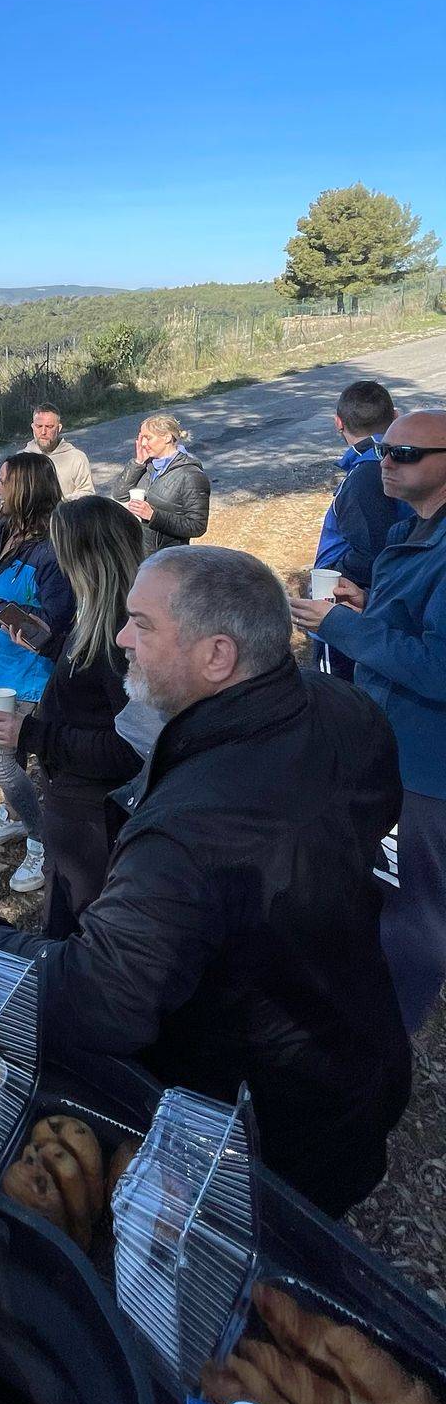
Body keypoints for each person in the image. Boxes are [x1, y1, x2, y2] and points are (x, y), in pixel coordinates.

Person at [0, 546, 409, 1216]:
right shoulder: (346, 709)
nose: (120, 639)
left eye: (142, 624)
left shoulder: (188, 832)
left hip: (266, 1131)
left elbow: (103, 999)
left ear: (217, 656)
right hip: (357, 1049)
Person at [290, 410, 446, 1033]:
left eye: (406, 452)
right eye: (385, 447)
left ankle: (388, 1033)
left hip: (424, 767)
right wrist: (367, 604)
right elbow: (414, 626)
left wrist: (344, 627)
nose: (387, 459)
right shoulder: (419, 529)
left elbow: (439, 666)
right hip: (397, 748)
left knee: (412, 908)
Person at [0, 496, 144, 919]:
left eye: (62, 549)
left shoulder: (120, 636)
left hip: (95, 813)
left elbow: (128, 749)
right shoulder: (97, 614)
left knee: (77, 920)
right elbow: (87, 678)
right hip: (74, 800)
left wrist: (31, 734)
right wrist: (50, 643)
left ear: (87, 558)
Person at [0, 455, 72, 894]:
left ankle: (43, 840)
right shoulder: (3, 529)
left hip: (33, 677)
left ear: (24, 489)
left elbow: (57, 627)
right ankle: (12, 814)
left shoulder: (53, 550)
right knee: (14, 753)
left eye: (4, 480)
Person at [311, 381, 407, 678]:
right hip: (381, 605)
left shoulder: (367, 472)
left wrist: (332, 573)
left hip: (349, 607)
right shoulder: (399, 461)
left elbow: (373, 551)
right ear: (395, 415)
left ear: (338, 422)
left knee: (338, 699)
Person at [113, 412, 211, 552]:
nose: (143, 443)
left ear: (167, 437)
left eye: (148, 438)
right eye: (141, 438)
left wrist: (153, 516)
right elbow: (119, 494)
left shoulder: (191, 475)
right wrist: (138, 463)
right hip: (139, 552)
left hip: (169, 558)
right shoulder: (146, 465)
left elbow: (197, 526)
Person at [23, 403, 95, 501]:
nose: (43, 432)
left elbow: (87, 493)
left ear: (59, 428)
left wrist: (62, 504)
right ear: (32, 427)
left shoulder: (76, 458)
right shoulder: (22, 459)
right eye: (39, 426)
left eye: (49, 426)